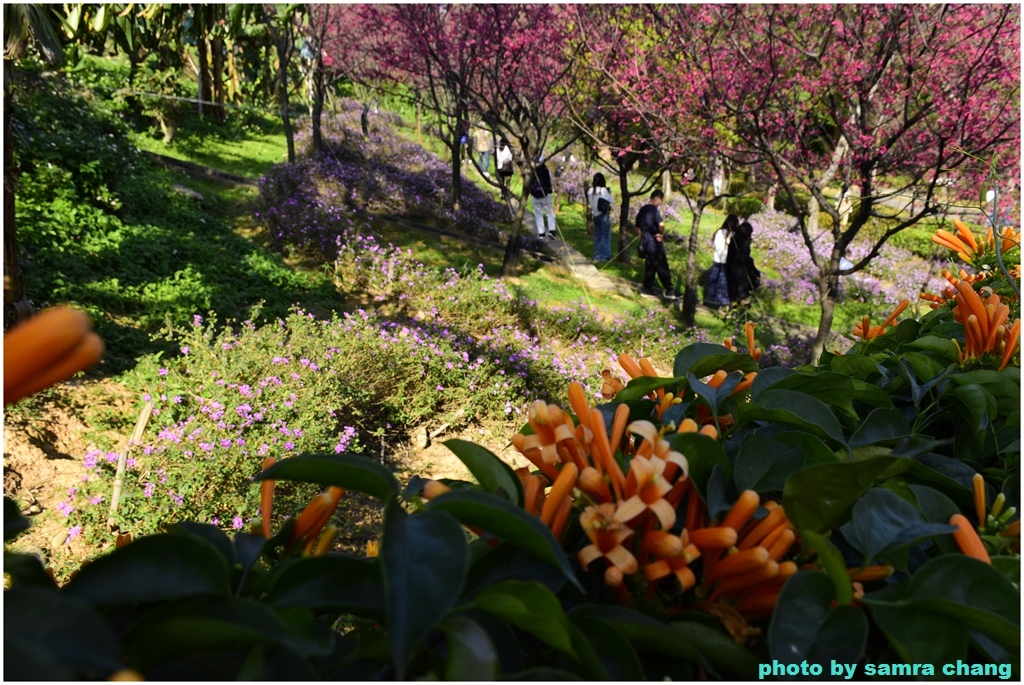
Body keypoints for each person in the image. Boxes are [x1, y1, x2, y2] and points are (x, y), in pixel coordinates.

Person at [637, 190, 679, 300]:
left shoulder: (642, 209)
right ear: (657, 199)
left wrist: (642, 236)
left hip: (645, 241)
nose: (660, 203)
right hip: (654, 243)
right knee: (661, 265)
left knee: (650, 265)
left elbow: (637, 227)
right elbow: (661, 224)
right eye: (660, 201)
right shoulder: (654, 210)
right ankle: (670, 290)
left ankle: (647, 288)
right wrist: (660, 233)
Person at [704, 214, 739, 309]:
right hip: (726, 263)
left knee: (713, 281)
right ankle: (723, 304)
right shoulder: (733, 235)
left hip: (717, 260)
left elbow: (714, 246)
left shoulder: (719, 232)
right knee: (723, 283)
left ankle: (710, 301)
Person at [726, 220, 761, 305]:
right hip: (739, 271)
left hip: (730, 267)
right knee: (741, 293)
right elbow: (743, 259)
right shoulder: (743, 243)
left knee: (733, 291)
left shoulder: (734, 239)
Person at [587, 172, 613, 262]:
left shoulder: (590, 191)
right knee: (605, 236)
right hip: (603, 215)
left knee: (597, 236)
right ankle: (605, 256)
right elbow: (610, 200)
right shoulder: (603, 190)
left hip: (595, 215)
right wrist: (609, 192)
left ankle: (596, 256)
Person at [530, 159, 557, 240]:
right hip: (545, 195)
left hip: (535, 196)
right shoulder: (546, 171)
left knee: (538, 214)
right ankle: (551, 231)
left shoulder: (531, 172)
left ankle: (541, 233)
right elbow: (551, 182)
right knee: (550, 213)